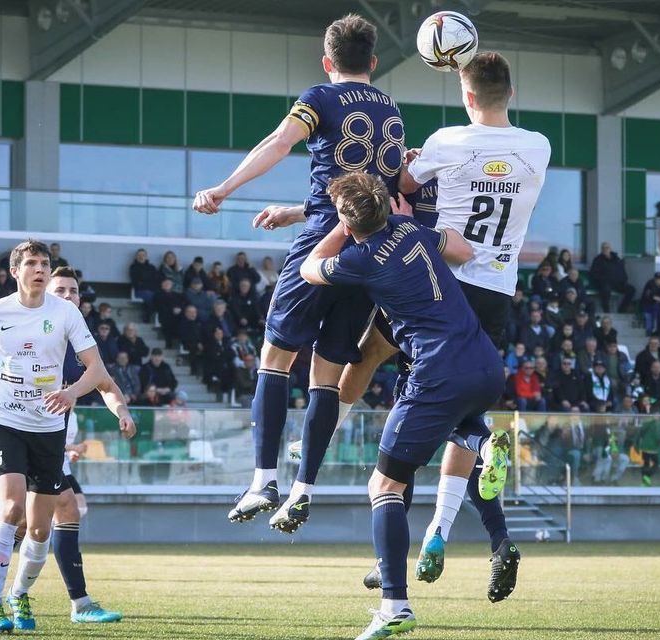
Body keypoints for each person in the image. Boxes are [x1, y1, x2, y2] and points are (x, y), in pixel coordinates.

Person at [191, 15, 406, 532]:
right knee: (325, 377)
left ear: (328, 62)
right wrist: (299, 209)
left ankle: (264, 478)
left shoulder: (321, 97)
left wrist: (224, 188)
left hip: (320, 249)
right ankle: (304, 489)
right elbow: (378, 194)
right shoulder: (393, 111)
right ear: (373, 63)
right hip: (368, 253)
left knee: (275, 359)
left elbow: (279, 142)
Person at [298, 170, 509, 639]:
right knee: (460, 423)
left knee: (385, 485)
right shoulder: (412, 229)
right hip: (485, 364)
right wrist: (399, 219)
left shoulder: (360, 257)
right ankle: (482, 440)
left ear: (351, 221)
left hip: (436, 372)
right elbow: (462, 250)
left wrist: (343, 226)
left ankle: (394, 605)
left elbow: (309, 268)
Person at [0, 241, 111, 633]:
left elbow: (96, 367)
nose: (39, 269)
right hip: (5, 423)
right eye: (31, 263)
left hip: (50, 430)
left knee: (39, 528)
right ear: (15, 271)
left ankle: (18, 593)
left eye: (44, 263)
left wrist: (71, 393)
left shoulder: (65, 313)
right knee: (11, 509)